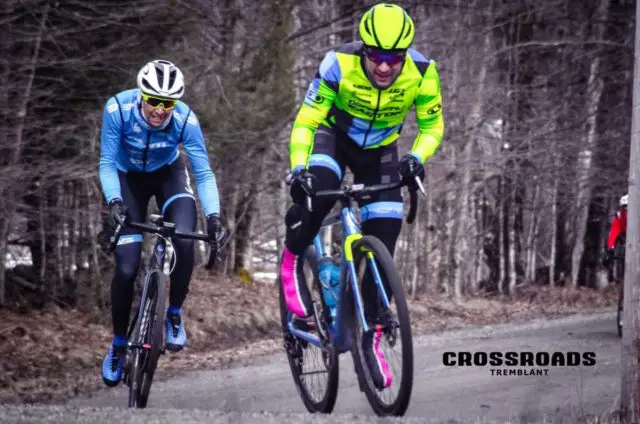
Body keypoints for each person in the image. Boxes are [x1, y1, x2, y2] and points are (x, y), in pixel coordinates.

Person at [280, 3, 443, 390]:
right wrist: (300, 167)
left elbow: (432, 126)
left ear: (405, 55)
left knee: (386, 229)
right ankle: (291, 260)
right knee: (317, 195)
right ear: (364, 49)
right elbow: (307, 120)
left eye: (394, 58)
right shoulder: (338, 64)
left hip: (381, 150)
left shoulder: (423, 73)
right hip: (333, 139)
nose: (384, 67)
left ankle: (369, 334)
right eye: (376, 56)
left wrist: (416, 158)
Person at [98, 59, 224, 386]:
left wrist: (214, 216)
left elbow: (204, 172)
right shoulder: (117, 110)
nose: (159, 110)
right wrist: (113, 201)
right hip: (127, 180)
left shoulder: (184, 120)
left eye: (167, 103)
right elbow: (107, 162)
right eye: (153, 100)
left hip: (168, 175)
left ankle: (173, 315)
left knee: (184, 239)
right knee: (126, 269)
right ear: (141, 95)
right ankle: (118, 345)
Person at [603, 194, 628, 269]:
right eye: (625, 206)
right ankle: (608, 254)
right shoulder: (619, 215)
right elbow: (613, 233)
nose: (626, 208)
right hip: (624, 235)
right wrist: (610, 249)